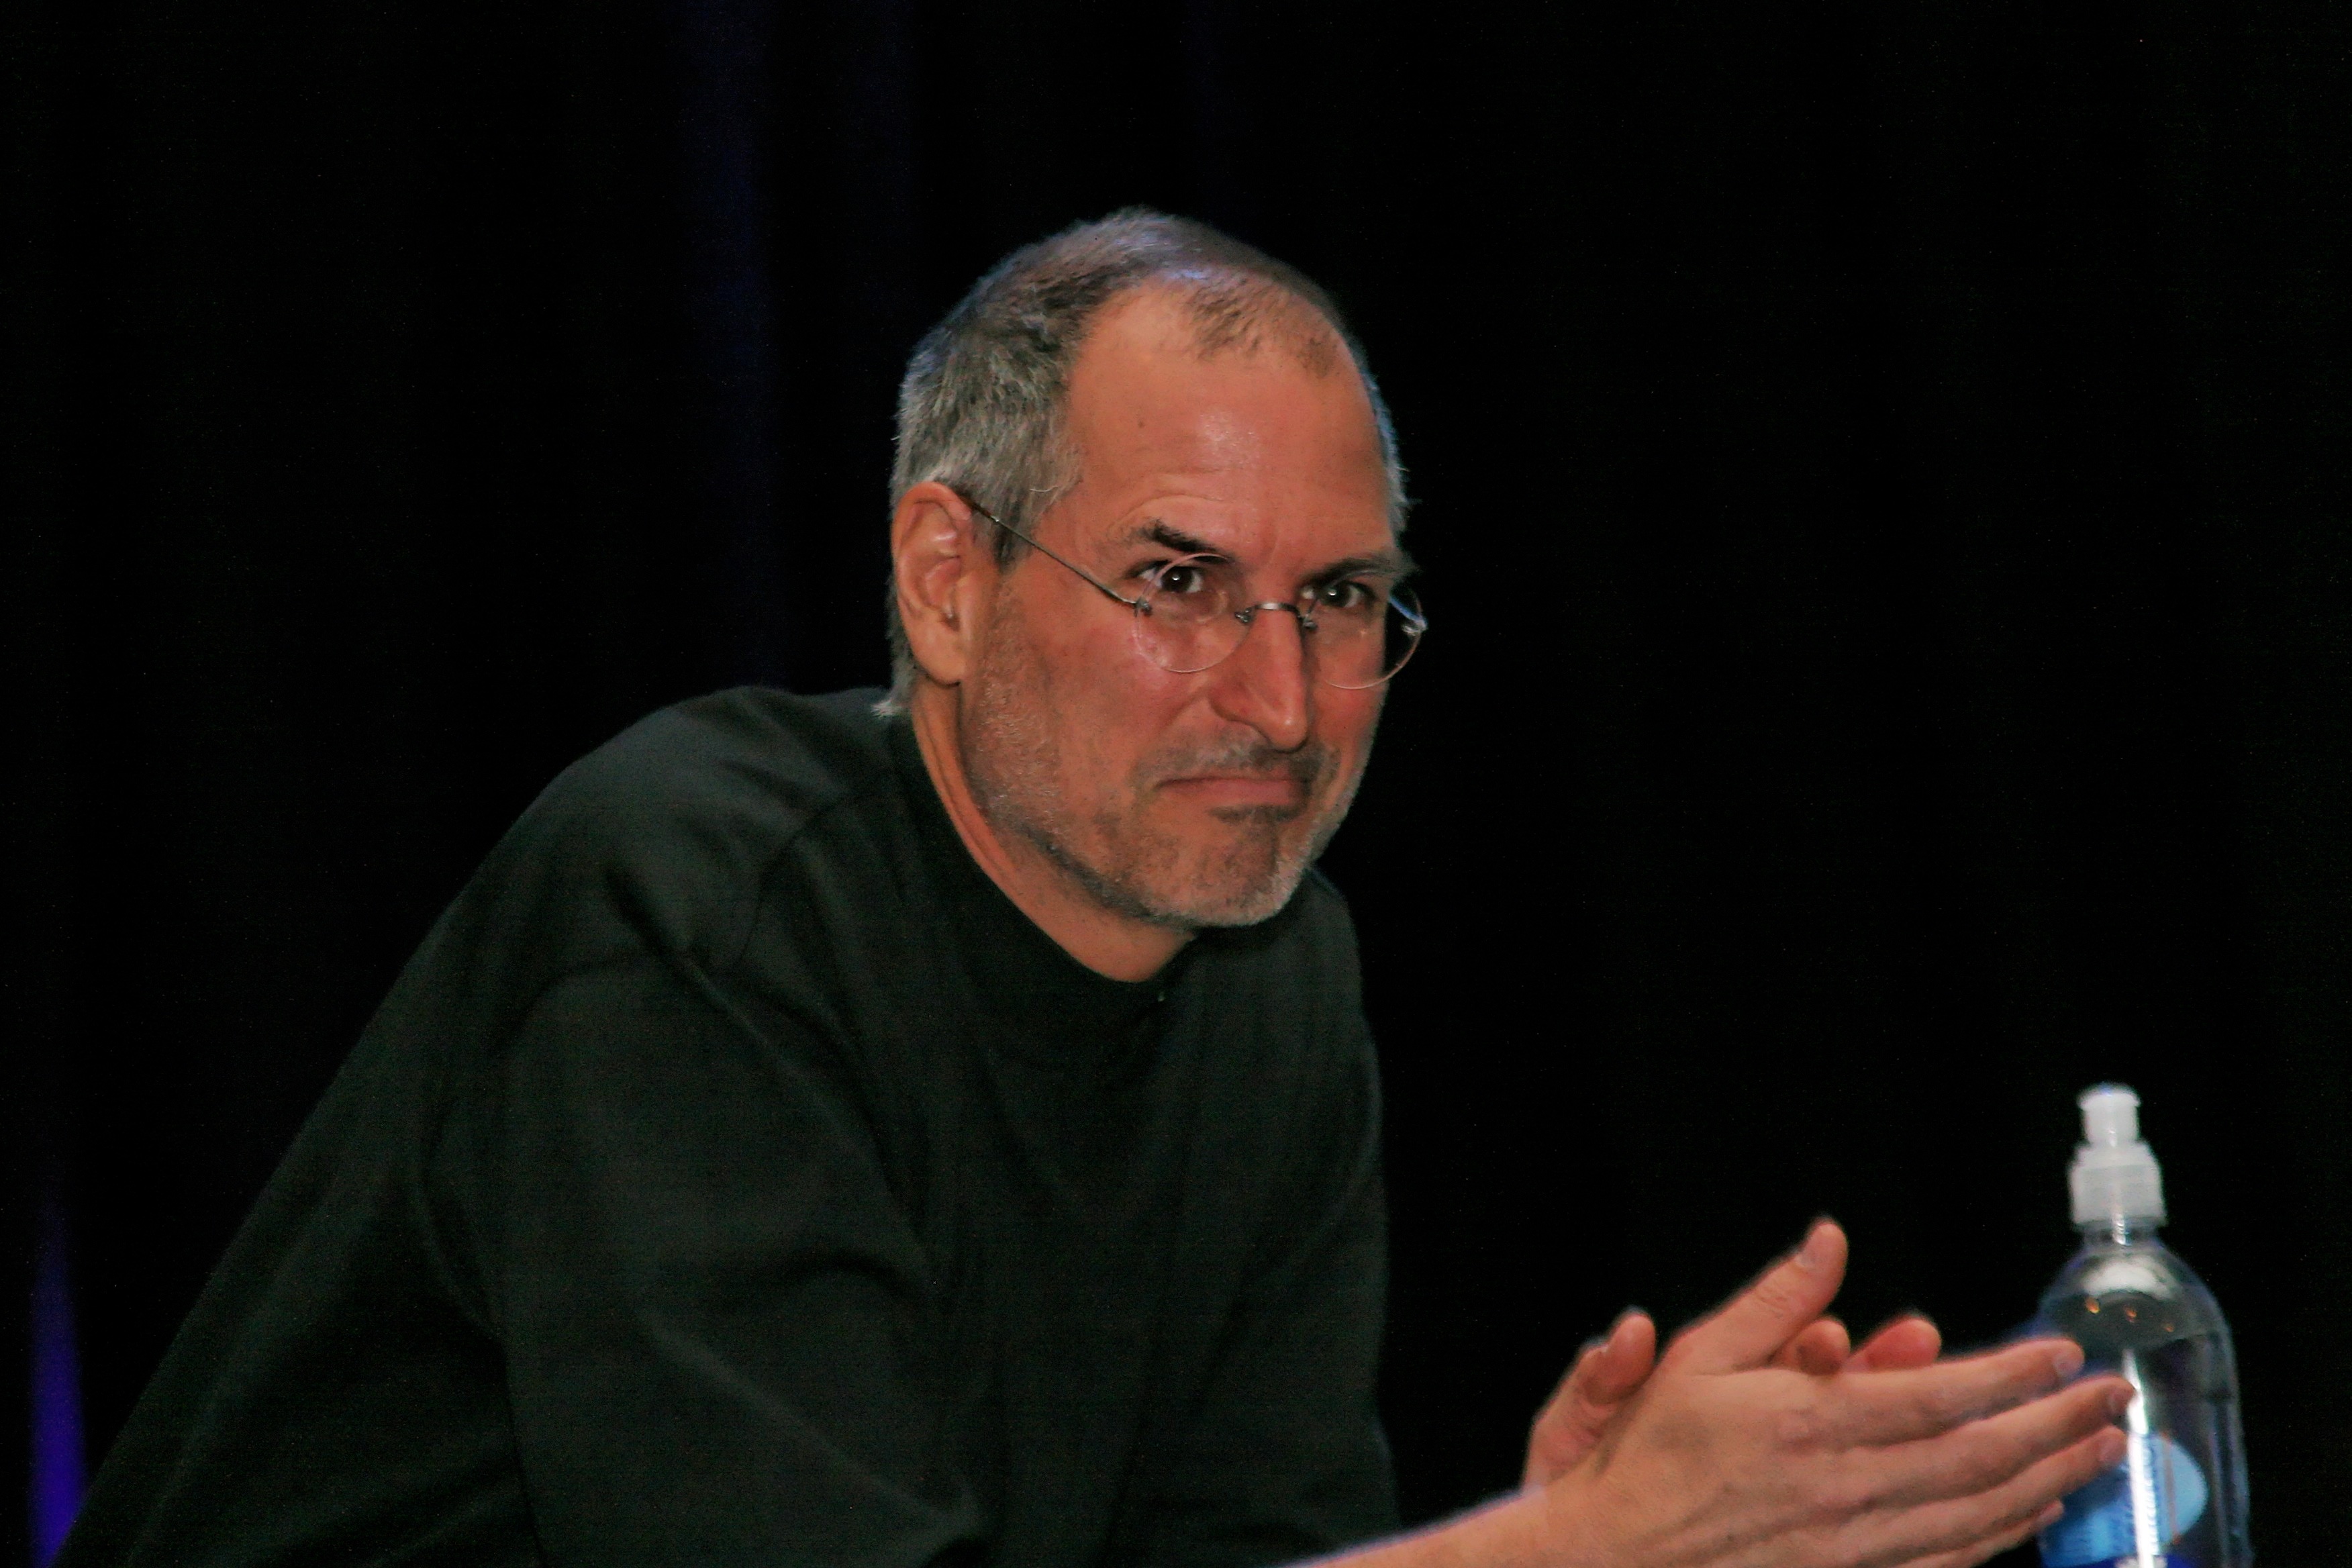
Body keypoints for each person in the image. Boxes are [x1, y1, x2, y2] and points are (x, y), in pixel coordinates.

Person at [57, 211, 2130, 1568]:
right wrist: (1580, 1551)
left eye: (1341, 603)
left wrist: (1570, 1536)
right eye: (1174, 585)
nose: (1283, 701)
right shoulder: (693, 907)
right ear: (944, 583)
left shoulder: (1274, 976)